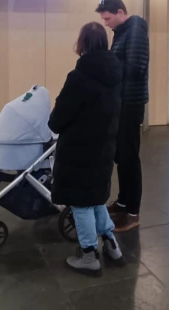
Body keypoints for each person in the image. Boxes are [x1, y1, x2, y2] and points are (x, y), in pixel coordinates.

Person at [49, 22, 124, 275]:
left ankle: (89, 254)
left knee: (81, 203)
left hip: (79, 152)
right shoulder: (115, 74)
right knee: (96, 198)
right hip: (104, 149)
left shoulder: (79, 77)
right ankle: (112, 245)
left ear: (82, 44)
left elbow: (57, 120)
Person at [96, 0, 149, 232]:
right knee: (121, 156)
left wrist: (109, 68)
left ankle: (132, 212)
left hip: (130, 103)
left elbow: (136, 67)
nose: (106, 23)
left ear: (120, 12)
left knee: (129, 157)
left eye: (108, 18)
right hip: (122, 101)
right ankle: (123, 201)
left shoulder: (135, 28)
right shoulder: (123, 32)